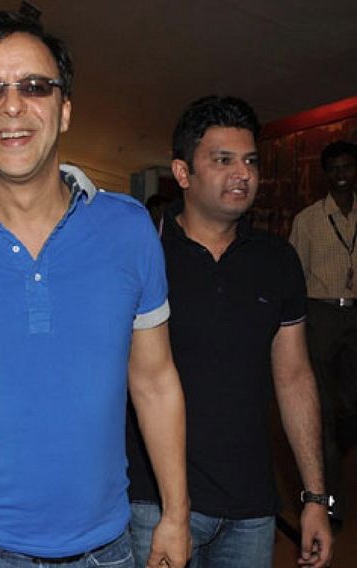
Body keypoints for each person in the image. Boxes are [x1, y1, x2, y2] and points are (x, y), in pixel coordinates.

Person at [0, 11, 190, 568]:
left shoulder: (127, 229)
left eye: (34, 86)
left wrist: (176, 513)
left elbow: (155, 380)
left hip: (103, 546)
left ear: (64, 109)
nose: (11, 106)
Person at [127, 96, 334, 568]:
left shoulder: (277, 260)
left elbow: (294, 377)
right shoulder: (144, 255)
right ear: (182, 173)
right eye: (223, 160)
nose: (243, 173)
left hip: (251, 509)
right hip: (154, 503)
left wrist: (315, 497)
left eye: (250, 161)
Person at [290, 140, 357, 522]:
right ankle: (331, 504)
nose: (341, 174)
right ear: (326, 174)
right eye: (334, 168)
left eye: (347, 166)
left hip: (355, 316)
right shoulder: (308, 220)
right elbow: (295, 276)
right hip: (321, 315)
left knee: (350, 408)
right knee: (325, 413)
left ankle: (332, 447)